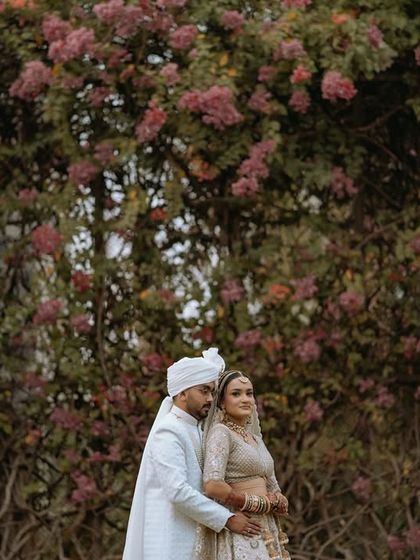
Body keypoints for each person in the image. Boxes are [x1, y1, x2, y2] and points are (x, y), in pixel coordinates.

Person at [122, 349, 261, 560]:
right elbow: (177, 491)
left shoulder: (198, 428)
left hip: (197, 542)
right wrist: (227, 519)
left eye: (212, 392)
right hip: (171, 545)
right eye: (203, 391)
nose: (210, 398)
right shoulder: (168, 431)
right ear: (182, 393)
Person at [193, 369, 291, 560]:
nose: (245, 399)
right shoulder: (221, 433)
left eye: (249, 393)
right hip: (243, 524)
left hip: (267, 525)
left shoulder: (256, 438)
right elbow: (212, 484)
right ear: (222, 401)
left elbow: (271, 483)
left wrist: (279, 498)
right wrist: (254, 502)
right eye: (236, 394)